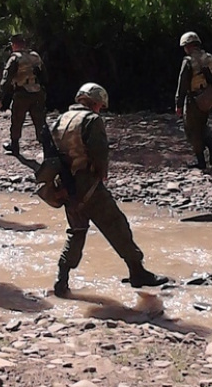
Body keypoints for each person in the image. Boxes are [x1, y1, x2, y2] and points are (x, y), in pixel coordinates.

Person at [48, 83, 169, 297]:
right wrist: (102, 174)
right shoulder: (92, 120)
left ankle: (61, 281)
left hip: (65, 186)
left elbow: (51, 152)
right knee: (116, 225)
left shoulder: (61, 119)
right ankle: (137, 272)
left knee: (76, 232)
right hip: (88, 184)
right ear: (95, 102)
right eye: (100, 106)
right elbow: (99, 152)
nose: (100, 109)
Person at [175, 31, 212, 169]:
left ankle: (201, 161)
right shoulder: (209, 58)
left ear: (187, 46)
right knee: (202, 124)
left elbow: (182, 84)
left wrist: (178, 103)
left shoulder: (188, 61)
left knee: (191, 129)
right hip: (208, 98)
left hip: (194, 100)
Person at [0, 34, 47, 155]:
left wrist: (0, 97)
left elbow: (6, 79)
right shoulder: (35, 56)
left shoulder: (15, 58)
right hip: (37, 91)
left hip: (22, 93)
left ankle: (14, 147)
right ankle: (47, 147)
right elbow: (44, 75)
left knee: (17, 120)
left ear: (14, 45)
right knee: (40, 120)